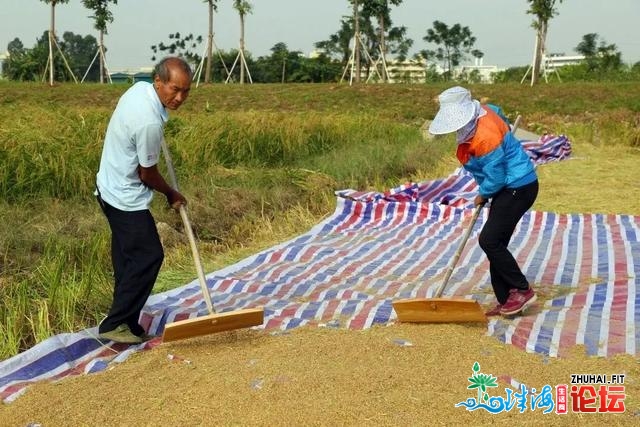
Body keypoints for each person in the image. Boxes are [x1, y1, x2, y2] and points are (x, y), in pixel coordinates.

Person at [95, 57, 192, 343]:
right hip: (124, 197)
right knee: (149, 256)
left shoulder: (139, 90)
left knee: (127, 258)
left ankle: (128, 321)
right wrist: (171, 194)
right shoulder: (149, 122)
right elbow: (147, 174)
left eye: (186, 91)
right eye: (174, 89)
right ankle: (113, 323)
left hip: (108, 185)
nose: (179, 98)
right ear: (158, 82)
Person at [428, 86, 539, 317]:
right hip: (508, 186)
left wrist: (483, 193)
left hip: (517, 186)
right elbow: (500, 113)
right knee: (495, 243)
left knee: (489, 240)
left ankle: (521, 289)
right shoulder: (486, 111)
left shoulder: (485, 137)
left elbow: (496, 176)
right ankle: (507, 299)